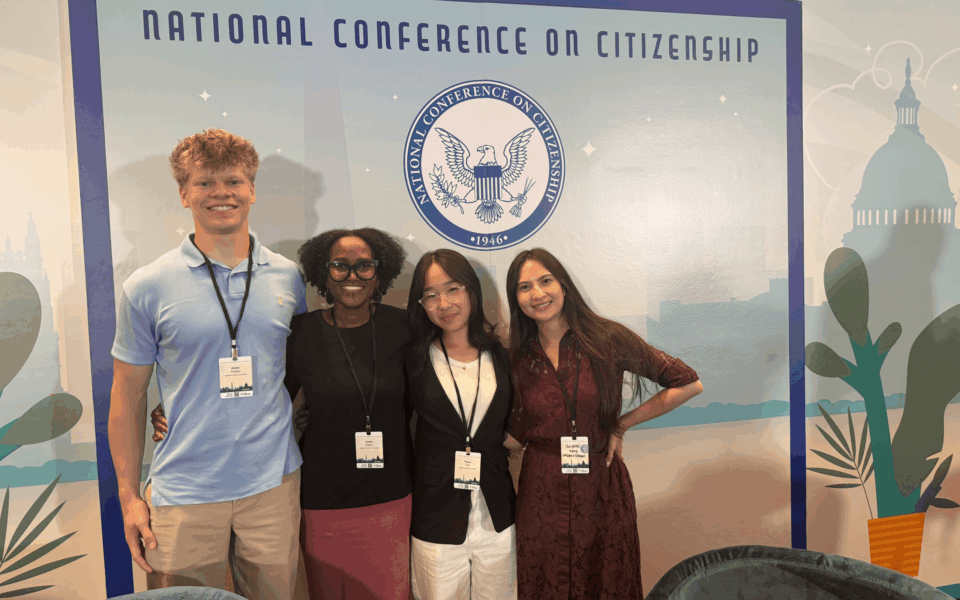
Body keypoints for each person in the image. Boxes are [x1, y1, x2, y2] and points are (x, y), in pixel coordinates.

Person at [108, 129, 306, 599]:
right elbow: (127, 392)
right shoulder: (147, 286)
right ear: (183, 193)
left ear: (252, 190)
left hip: (273, 485)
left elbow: (298, 370)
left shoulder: (289, 277)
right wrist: (128, 495)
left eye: (234, 181)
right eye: (204, 183)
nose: (221, 193)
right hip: (183, 490)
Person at [504, 248, 703, 600]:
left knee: (606, 583)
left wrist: (621, 424)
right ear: (515, 298)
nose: (537, 294)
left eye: (545, 281)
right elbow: (514, 433)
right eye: (524, 287)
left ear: (563, 284)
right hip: (541, 490)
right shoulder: (517, 355)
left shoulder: (607, 339)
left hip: (601, 487)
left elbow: (687, 382)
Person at [286, 228, 414, 600]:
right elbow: (264, 395)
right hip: (322, 500)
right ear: (323, 274)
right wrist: (173, 410)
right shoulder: (302, 333)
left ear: (381, 272)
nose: (353, 277)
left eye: (364, 267)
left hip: (391, 495)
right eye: (340, 267)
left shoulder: (403, 327)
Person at [405, 250, 517, 600]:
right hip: (436, 513)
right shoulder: (413, 359)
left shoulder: (503, 355)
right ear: (421, 304)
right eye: (431, 295)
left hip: (497, 513)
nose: (444, 303)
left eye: (453, 289)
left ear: (471, 290)